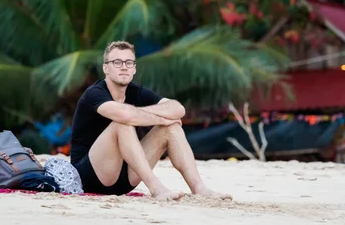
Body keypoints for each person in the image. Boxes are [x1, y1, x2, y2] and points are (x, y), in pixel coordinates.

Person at [70, 41, 232, 201]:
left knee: (171, 127)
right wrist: (161, 117)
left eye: (129, 62)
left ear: (134, 68)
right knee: (121, 123)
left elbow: (178, 108)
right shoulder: (94, 93)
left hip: (124, 181)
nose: (124, 66)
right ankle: (156, 188)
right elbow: (125, 115)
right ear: (106, 68)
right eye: (117, 62)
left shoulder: (136, 92)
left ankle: (199, 188)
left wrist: (157, 118)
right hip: (89, 176)